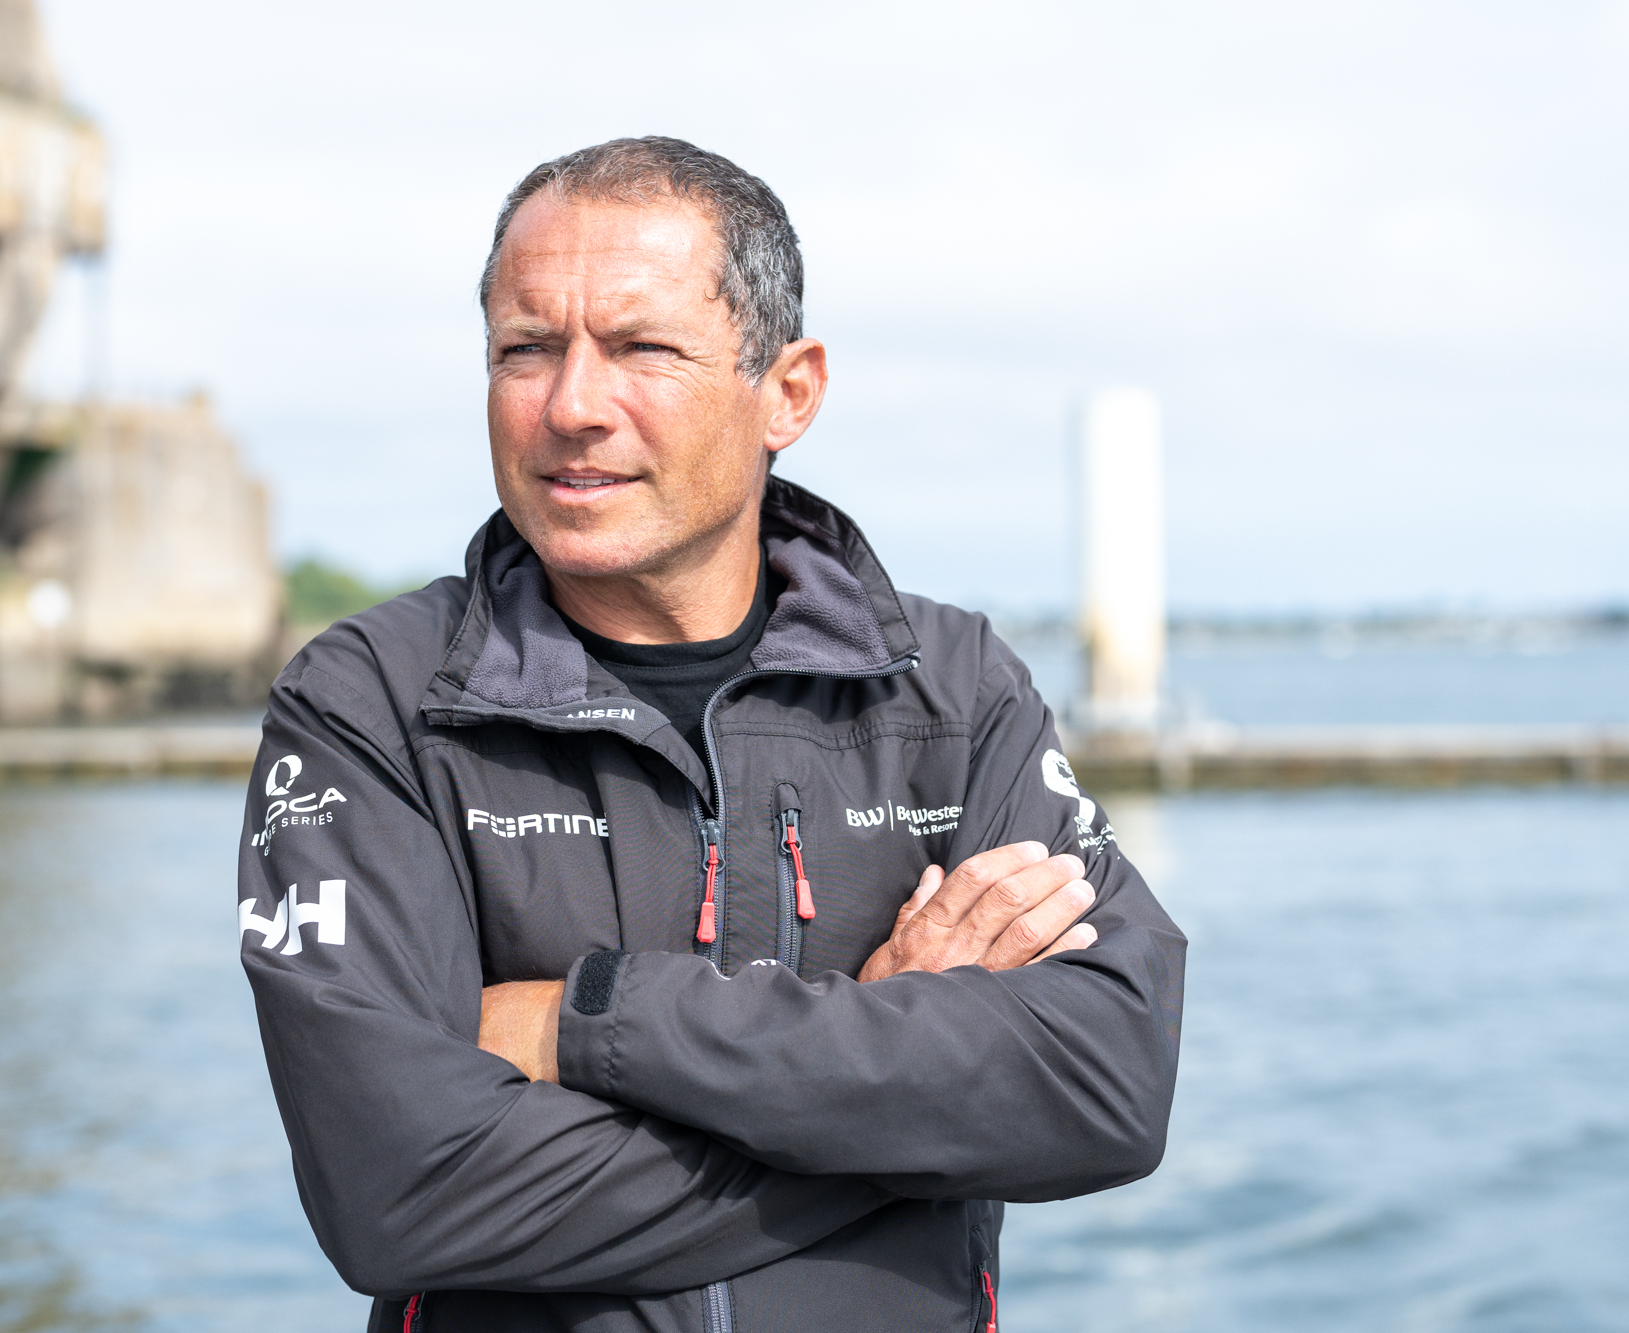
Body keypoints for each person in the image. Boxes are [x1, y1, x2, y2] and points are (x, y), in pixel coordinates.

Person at [239, 135, 1186, 1333]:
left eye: (640, 348)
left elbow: (1104, 1083)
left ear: (787, 392)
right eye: (525, 349)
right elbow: (400, 1190)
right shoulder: (371, 701)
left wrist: (592, 1022)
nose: (571, 406)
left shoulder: (950, 693)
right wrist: (892, 1081)